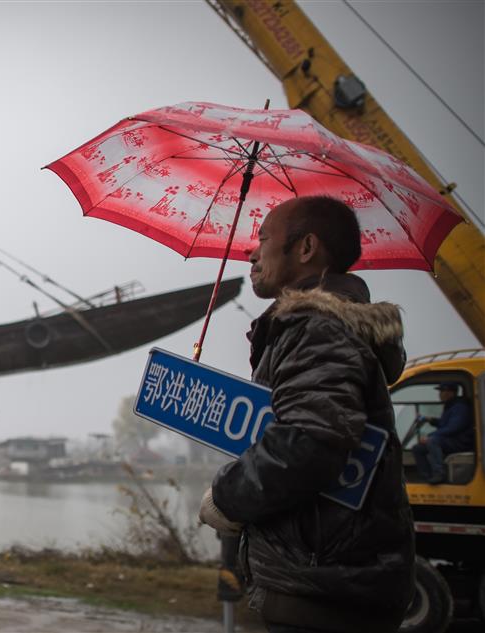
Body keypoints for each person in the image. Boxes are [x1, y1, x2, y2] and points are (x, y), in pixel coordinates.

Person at [197, 196, 415, 633]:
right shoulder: (326, 329)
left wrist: (227, 498)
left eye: (263, 239)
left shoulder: (317, 328)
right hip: (326, 582)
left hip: (320, 589)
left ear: (306, 248)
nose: (252, 252)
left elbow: (309, 440)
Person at [412, 381, 474, 484]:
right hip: (452, 440)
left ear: (451, 393)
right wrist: (430, 420)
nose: (440, 394)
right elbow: (444, 424)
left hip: (461, 442)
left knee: (432, 441)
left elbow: (453, 428)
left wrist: (430, 436)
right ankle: (425, 476)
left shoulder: (460, 407)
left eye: (442, 391)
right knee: (418, 448)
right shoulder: (450, 406)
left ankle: (439, 474)